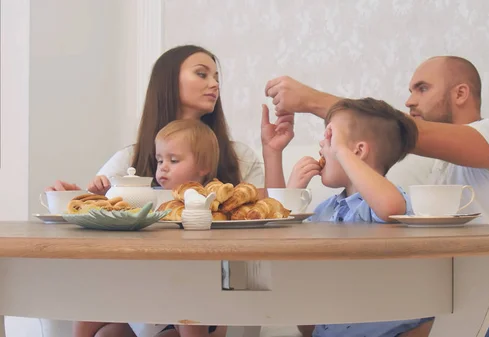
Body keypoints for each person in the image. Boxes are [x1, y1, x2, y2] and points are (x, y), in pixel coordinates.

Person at [263, 56, 489, 337]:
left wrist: (314, 102)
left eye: (422, 88)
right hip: (451, 305)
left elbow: (394, 131)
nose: (409, 100)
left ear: (460, 94)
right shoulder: (437, 171)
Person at [47, 44, 292, 337]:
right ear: (168, 83)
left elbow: (276, 223)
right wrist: (75, 197)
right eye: (202, 74)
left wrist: (273, 152)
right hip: (146, 281)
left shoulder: (238, 156)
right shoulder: (130, 159)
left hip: (224, 279)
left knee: (195, 287)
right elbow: (94, 213)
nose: (214, 84)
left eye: (216, 77)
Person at [263, 97, 436, 337]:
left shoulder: (383, 201)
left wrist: (341, 151)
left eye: (330, 136)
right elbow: (280, 241)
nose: (322, 144)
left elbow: (390, 207)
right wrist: (290, 192)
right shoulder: (326, 210)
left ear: (358, 151)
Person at [75, 119, 221, 337]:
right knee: (99, 319)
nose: (163, 167)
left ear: (203, 166)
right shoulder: (144, 196)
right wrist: (100, 194)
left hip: (187, 300)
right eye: (160, 159)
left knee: (188, 301)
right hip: (143, 291)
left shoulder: (210, 200)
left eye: (174, 160)